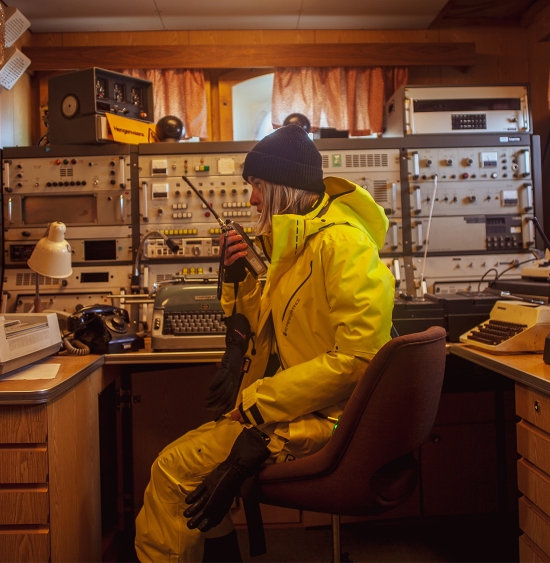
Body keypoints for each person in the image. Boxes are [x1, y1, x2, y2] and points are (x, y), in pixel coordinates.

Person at [134, 124, 395, 562]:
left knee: (171, 472)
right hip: (295, 408)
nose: (252, 198)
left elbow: (359, 360)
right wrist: (238, 280)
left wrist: (259, 407)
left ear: (282, 185)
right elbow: (271, 329)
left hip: (327, 420)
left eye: (256, 186)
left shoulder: (343, 243)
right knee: (189, 476)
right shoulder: (295, 243)